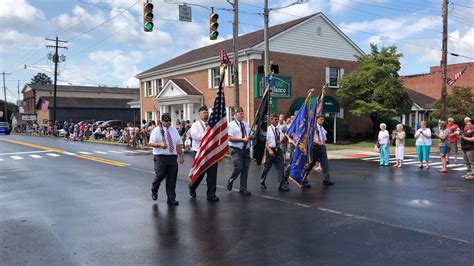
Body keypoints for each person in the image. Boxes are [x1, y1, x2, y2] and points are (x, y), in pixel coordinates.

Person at [148, 113, 184, 206]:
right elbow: (150, 143)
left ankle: (171, 199)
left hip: (172, 157)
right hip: (160, 157)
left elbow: (178, 143)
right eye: (166, 121)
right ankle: (154, 189)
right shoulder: (156, 130)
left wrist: (181, 156)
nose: (168, 122)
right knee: (160, 175)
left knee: (172, 179)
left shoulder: (174, 130)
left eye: (169, 121)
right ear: (161, 121)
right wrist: (160, 145)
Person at [188, 106, 220, 202]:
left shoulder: (211, 124)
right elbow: (194, 135)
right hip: (199, 153)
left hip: (211, 152)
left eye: (207, 112)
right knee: (199, 174)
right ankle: (192, 187)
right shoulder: (196, 125)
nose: (206, 114)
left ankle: (211, 194)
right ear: (200, 114)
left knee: (212, 174)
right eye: (204, 113)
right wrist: (206, 136)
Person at [226, 107, 253, 195]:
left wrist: (250, 137)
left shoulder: (246, 124)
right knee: (239, 167)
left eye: (243, 113)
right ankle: (231, 179)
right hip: (236, 149)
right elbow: (229, 137)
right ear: (235, 115)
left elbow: (251, 134)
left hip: (246, 149)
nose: (242, 115)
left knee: (245, 169)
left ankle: (243, 188)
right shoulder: (231, 125)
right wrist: (242, 140)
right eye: (240, 114)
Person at [302, 115, 334, 188]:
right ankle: (303, 179)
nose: (322, 121)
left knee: (325, 164)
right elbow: (309, 138)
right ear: (317, 120)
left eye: (323, 119)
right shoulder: (313, 128)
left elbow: (324, 137)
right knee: (311, 164)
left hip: (322, 148)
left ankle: (327, 179)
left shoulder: (322, 128)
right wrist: (316, 142)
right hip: (315, 148)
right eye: (321, 119)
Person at [259, 114, 288, 191]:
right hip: (270, 150)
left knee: (281, 167)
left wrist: (284, 138)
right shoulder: (267, 130)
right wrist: (269, 150)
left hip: (277, 150)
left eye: (277, 119)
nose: (277, 121)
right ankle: (262, 181)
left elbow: (282, 139)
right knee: (267, 167)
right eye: (275, 119)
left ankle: (281, 184)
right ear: (271, 120)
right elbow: (265, 142)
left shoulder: (278, 130)